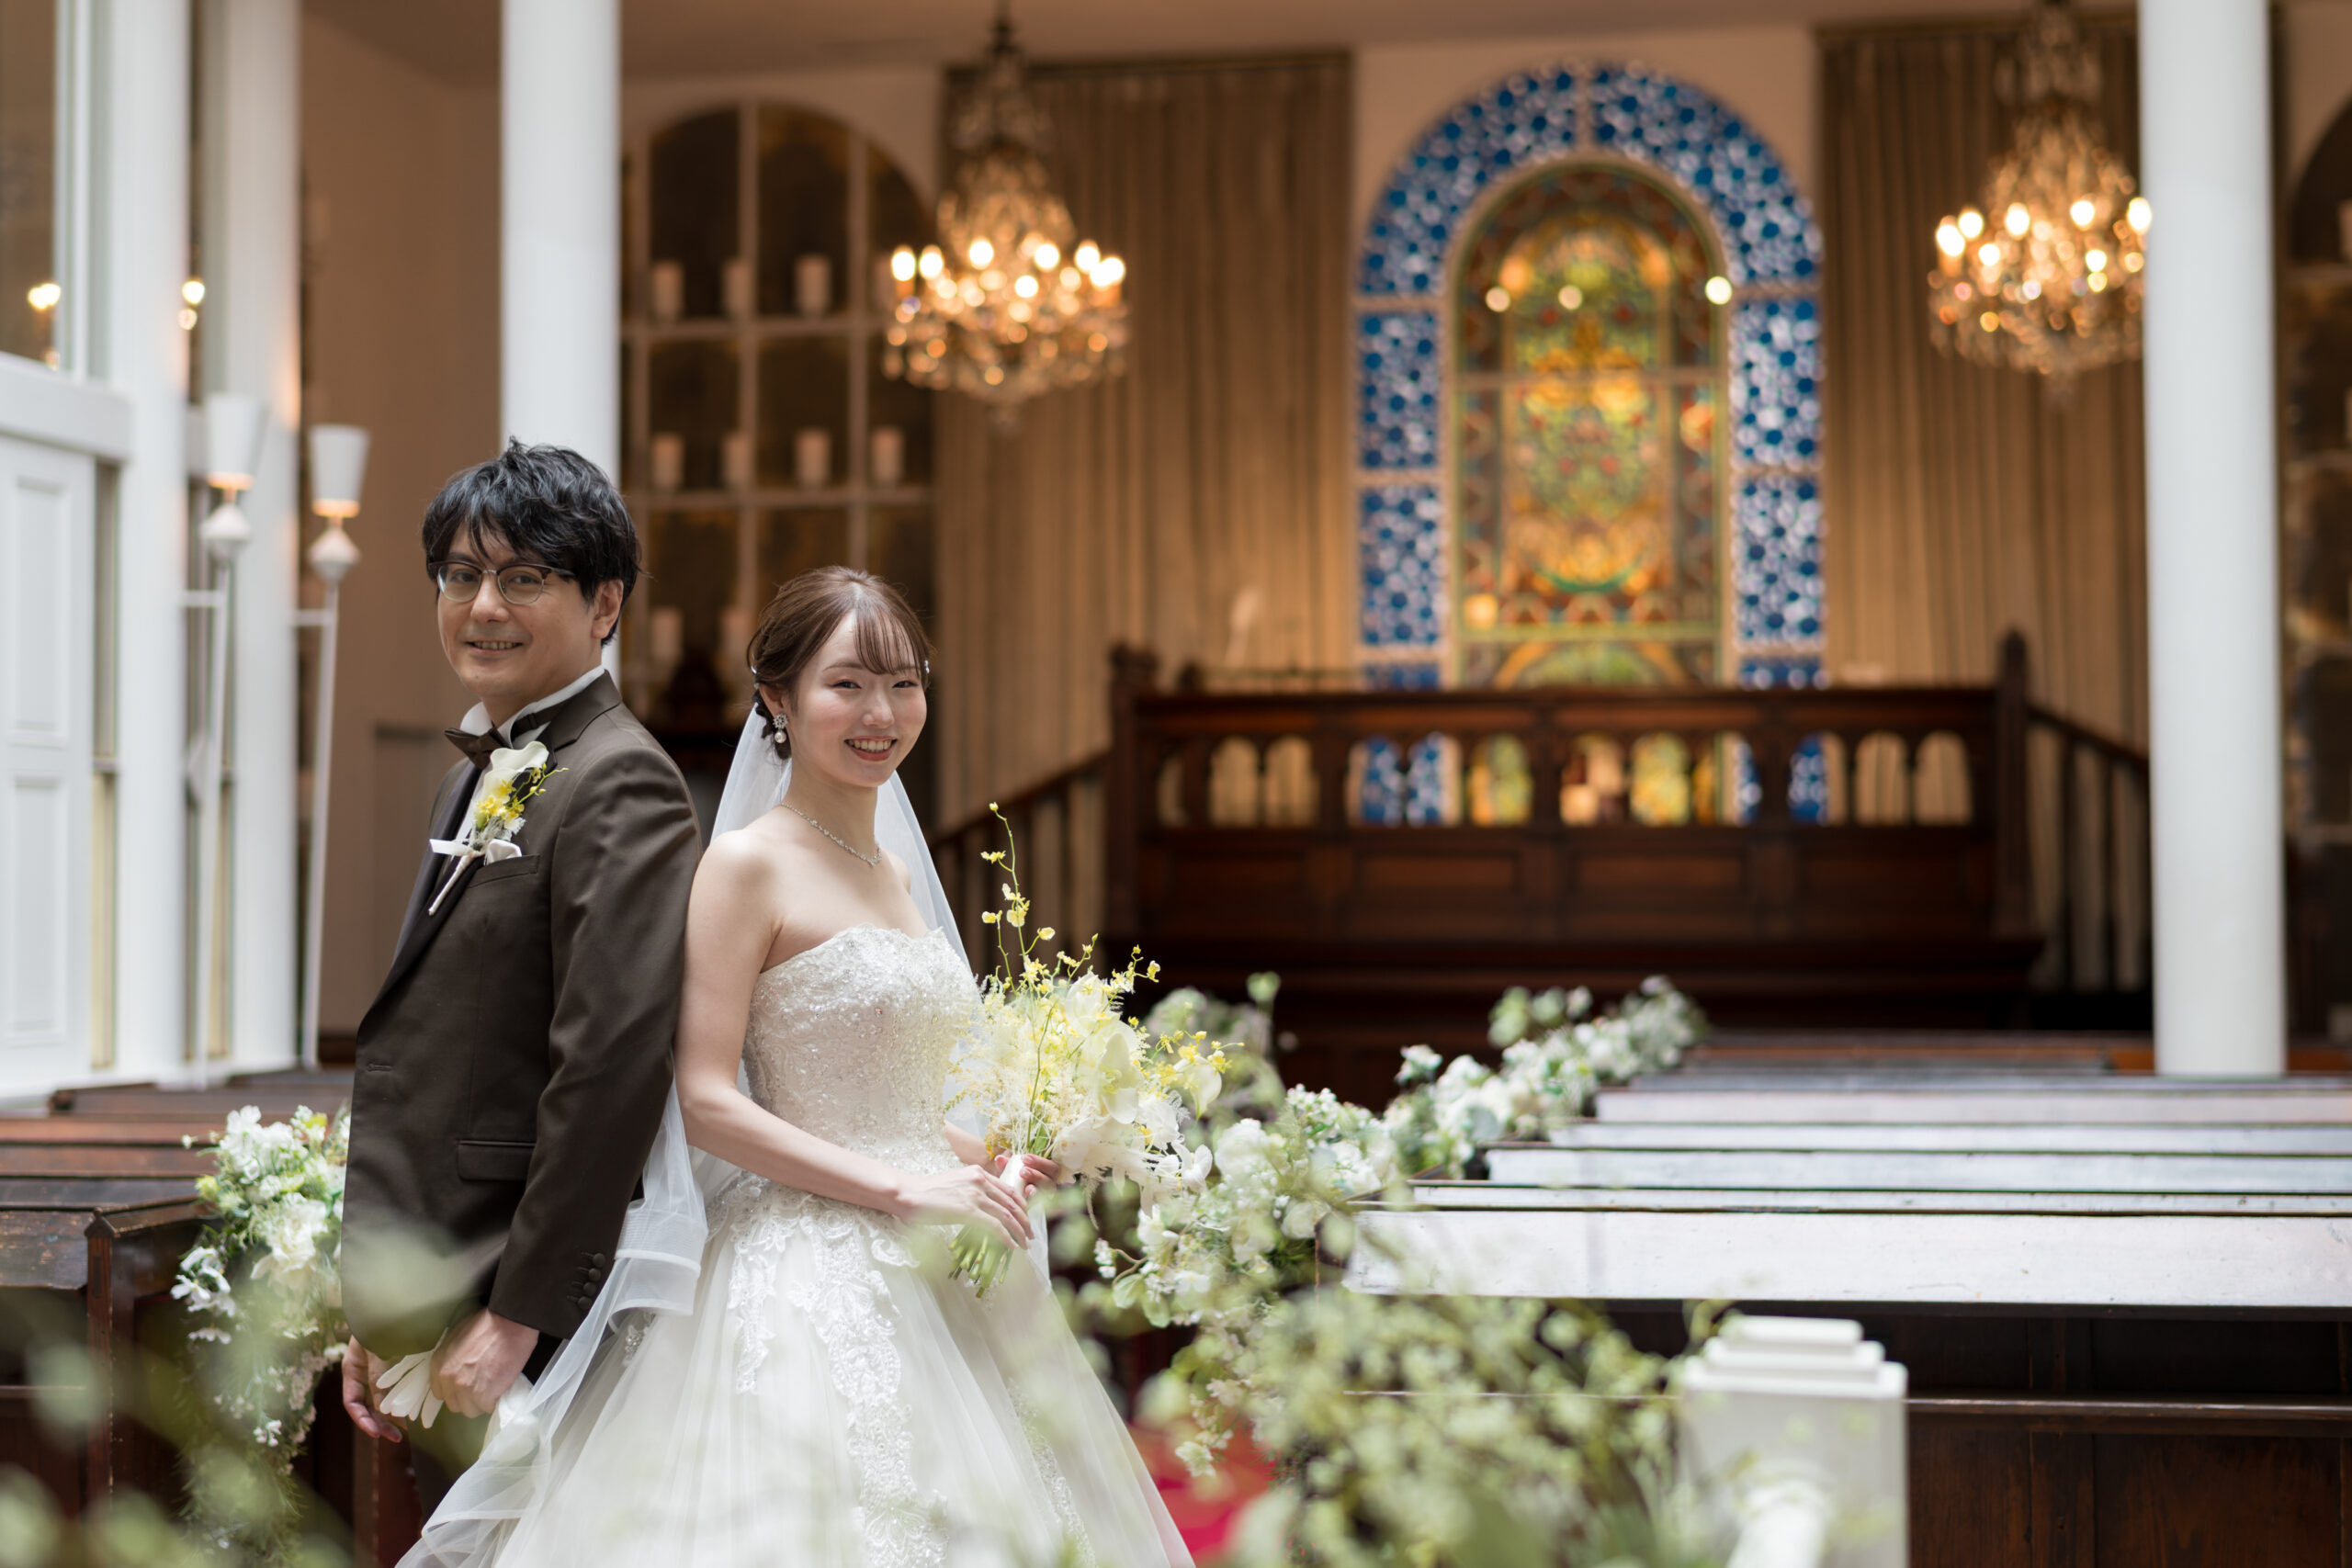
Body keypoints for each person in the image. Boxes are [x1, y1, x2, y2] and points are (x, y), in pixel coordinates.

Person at [403, 567, 1191, 1567]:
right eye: (847, 684)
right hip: (803, 1271)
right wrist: (902, 1188)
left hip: (937, 1256)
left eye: (903, 684)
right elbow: (706, 1100)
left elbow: (882, 1100)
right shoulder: (745, 865)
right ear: (776, 698)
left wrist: (988, 1159)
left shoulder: (897, 871)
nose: (881, 714)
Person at [338, 442, 702, 1510]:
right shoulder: (484, 773)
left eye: (524, 577)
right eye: (460, 576)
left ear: (605, 605)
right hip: (444, 1274)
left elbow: (608, 1068)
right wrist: (384, 1305)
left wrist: (519, 1313)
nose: (483, 605)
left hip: (524, 1300)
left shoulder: (621, 779)